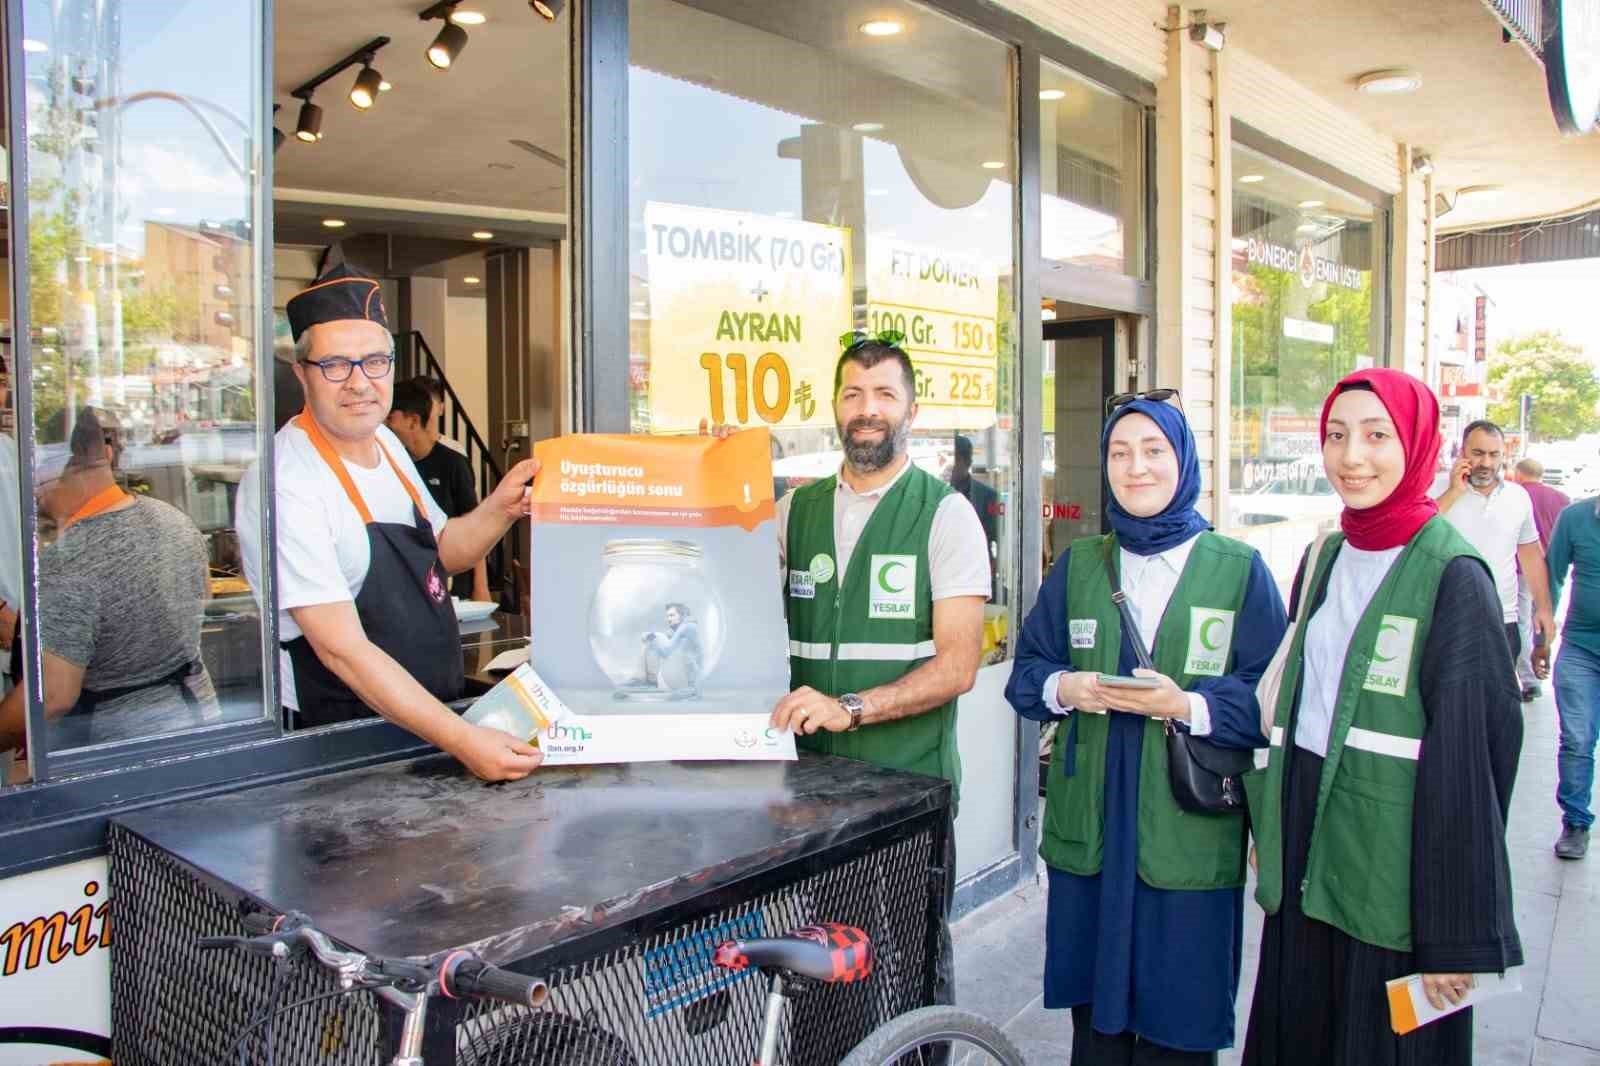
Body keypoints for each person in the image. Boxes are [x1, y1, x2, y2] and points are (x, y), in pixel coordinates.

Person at [1244, 369, 1523, 1066]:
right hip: (1309, 838)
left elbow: (1477, 764)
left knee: (1378, 1044)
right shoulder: (1325, 556)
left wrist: (1455, 938)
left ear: (1419, 445)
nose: (1352, 456)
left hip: (1397, 865)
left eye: (1377, 435)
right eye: (1337, 436)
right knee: (1302, 1029)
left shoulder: (1452, 576)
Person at [1006, 392, 1286, 1065]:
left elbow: (1275, 697)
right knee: (1095, 1023)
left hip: (1186, 831)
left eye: (1153, 451)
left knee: (1178, 1017)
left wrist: (1186, 706)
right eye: (1120, 453)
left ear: (1183, 459)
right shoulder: (1079, 566)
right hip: (1094, 829)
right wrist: (1065, 687)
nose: (1136, 468)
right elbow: (1025, 677)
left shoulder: (1237, 570)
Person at [236, 263, 543, 782]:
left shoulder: (386, 444)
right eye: (335, 364)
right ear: (302, 373)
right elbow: (343, 650)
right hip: (340, 743)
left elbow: (443, 550)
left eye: (375, 361)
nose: (359, 383)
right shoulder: (286, 481)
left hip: (426, 727)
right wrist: (464, 738)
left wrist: (501, 508)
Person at [770, 330, 990, 1016]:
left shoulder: (945, 514)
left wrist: (852, 706)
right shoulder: (794, 511)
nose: (868, 408)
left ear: (911, 411)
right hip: (813, 794)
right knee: (825, 974)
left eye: (885, 394)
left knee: (909, 971)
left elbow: (958, 666)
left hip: (908, 794)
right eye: (854, 393)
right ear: (836, 407)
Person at [0, 407, 219, 752]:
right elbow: (202, 595)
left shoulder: (69, 560)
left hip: (121, 750)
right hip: (198, 719)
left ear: (60, 464)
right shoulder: (173, 519)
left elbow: (53, 697)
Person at [1434, 419, 1555, 670]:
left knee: (1498, 704)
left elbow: (1531, 556)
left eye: (1494, 454)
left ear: (1503, 456)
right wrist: (1454, 493)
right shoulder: (1435, 488)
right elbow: (1416, 533)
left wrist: (1543, 609)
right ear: (1462, 452)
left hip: (1503, 619)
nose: (1486, 463)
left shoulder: (1518, 496)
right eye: (1478, 453)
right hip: (1445, 617)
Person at [385, 378, 491, 603]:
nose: (384, 425)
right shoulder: (393, 464)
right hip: (413, 581)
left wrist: (481, 588)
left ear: (412, 421)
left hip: (455, 581)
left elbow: (474, 525)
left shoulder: (453, 463)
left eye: (390, 418)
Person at [1543, 494, 1600, 859]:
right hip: (1580, 649)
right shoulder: (1576, 517)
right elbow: (1551, 577)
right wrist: (1540, 640)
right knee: (1578, 739)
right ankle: (1576, 821)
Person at [1510, 457, 1569, 700]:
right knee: (1545, 617)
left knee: (1522, 621)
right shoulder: (1561, 499)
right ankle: (1542, 656)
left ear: (1520, 474)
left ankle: (1529, 679)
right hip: (1551, 569)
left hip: (1522, 569)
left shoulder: (1516, 495)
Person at [950, 434, 999, 600]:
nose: (949, 466)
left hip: (976, 575)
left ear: (967, 462)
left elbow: (996, 538)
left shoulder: (987, 497)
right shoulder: (931, 495)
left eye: (954, 459)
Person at [632, 602, 703, 696]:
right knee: (654, 638)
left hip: (686, 682)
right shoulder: (683, 629)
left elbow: (666, 653)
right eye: (668, 616)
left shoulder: (687, 627)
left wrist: (652, 640)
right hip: (684, 679)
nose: (668, 619)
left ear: (682, 615)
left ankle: (645, 680)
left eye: (672, 615)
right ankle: (646, 680)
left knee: (656, 637)